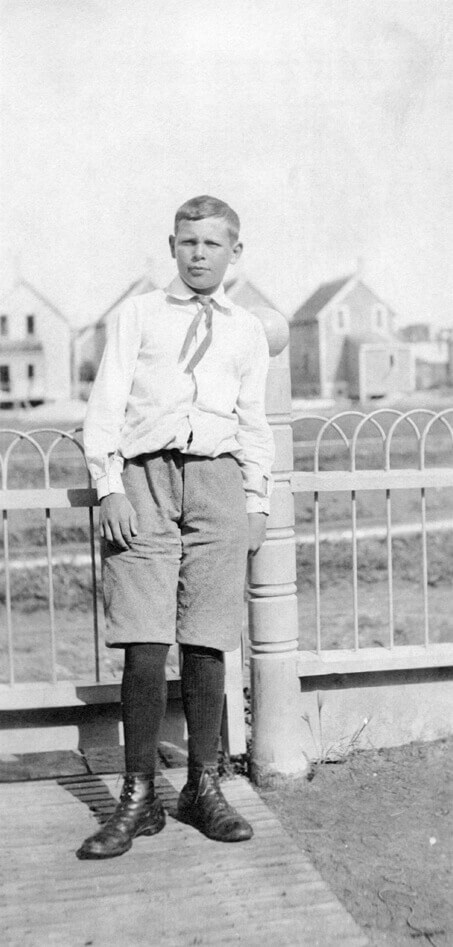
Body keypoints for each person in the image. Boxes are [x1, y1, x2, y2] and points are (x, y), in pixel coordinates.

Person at [77, 195, 274, 859]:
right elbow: (104, 406)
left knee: (208, 634)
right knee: (141, 634)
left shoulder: (245, 329)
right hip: (144, 482)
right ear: (172, 245)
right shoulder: (137, 315)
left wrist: (255, 501)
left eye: (211, 245)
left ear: (232, 253)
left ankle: (200, 785)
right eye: (188, 243)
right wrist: (109, 487)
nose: (198, 254)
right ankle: (138, 797)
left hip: (217, 483)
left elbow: (253, 422)